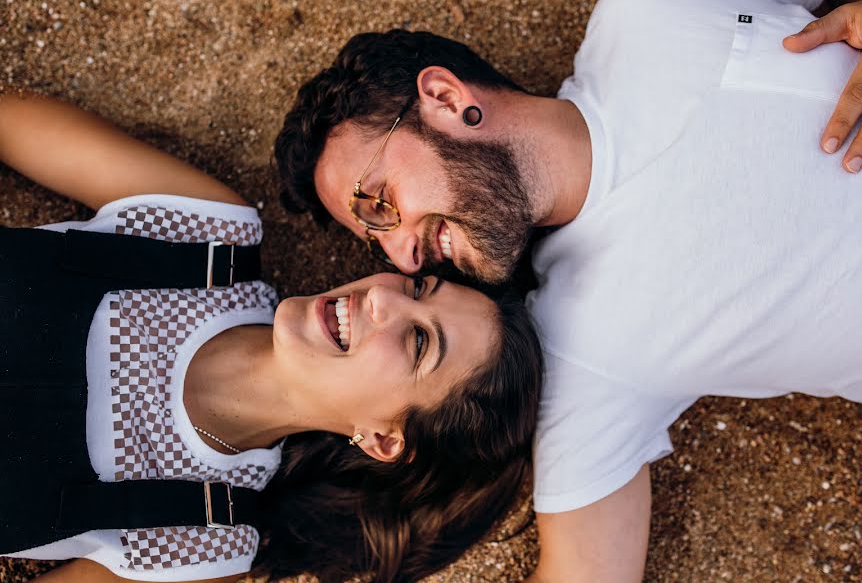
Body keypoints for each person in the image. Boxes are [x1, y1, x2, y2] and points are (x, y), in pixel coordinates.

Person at [273, 0, 862, 580]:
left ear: (442, 98)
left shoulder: (649, 9)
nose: (402, 258)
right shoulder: (583, 352)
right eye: (375, 243)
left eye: (378, 204)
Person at [0, 91, 543, 583]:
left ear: (382, 438)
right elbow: (12, 120)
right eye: (418, 286)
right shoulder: (208, 239)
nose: (384, 298)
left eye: (420, 343)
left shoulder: (201, 539)